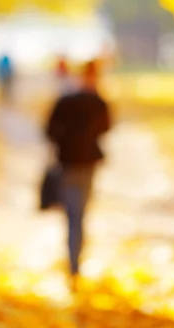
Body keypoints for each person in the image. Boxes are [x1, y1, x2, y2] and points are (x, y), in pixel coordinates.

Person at [45, 59, 111, 285]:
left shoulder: (65, 101)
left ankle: (72, 259)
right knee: (79, 213)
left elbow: (49, 131)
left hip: (67, 162)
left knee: (72, 214)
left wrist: (64, 142)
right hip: (88, 164)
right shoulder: (98, 101)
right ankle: (75, 261)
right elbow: (106, 128)